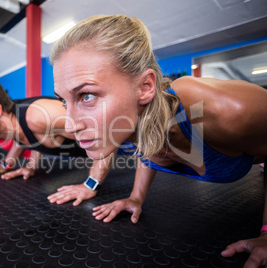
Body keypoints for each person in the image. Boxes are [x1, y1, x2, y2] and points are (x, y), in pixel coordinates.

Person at [50, 14, 267, 267]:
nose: (69, 125)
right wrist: (134, 197)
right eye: (64, 100)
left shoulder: (227, 110)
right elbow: (145, 144)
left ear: (144, 87)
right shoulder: (124, 124)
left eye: (86, 95)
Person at [0, 74, 113, 193]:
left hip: (128, 150)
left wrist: (90, 185)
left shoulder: (41, 115)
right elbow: (25, 137)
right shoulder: (13, 122)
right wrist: (8, 165)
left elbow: (105, 136)